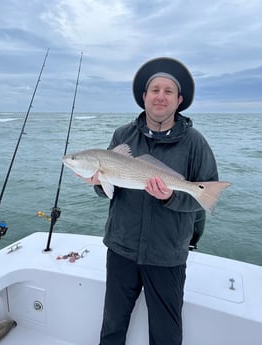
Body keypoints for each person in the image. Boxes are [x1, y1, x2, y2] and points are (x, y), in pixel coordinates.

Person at [82, 57, 219, 345]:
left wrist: (170, 197)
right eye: (154, 90)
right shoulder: (122, 136)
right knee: (112, 326)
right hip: (121, 248)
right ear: (143, 97)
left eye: (168, 91)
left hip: (167, 254)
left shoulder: (195, 143)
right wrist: (97, 183)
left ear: (179, 100)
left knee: (166, 334)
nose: (160, 96)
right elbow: (111, 187)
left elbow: (200, 197)